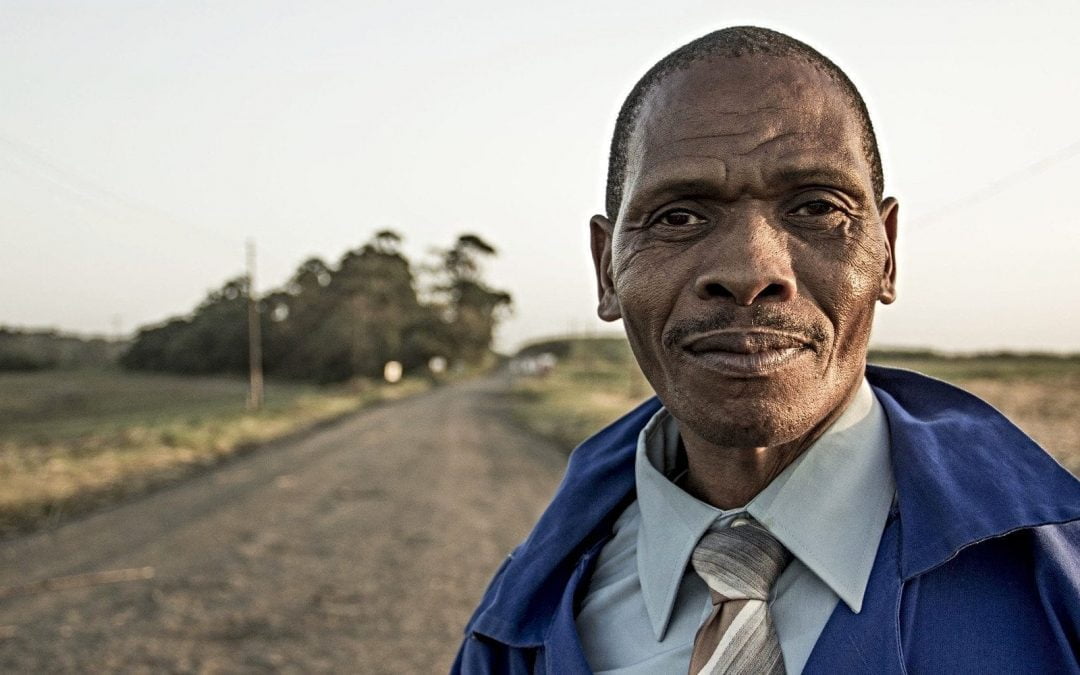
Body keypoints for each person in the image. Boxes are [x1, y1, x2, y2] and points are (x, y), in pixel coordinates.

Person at [453, 26, 1080, 674]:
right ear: (606, 269)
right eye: (679, 216)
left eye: (816, 206)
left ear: (886, 251)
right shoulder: (520, 630)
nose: (752, 269)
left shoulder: (1059, 582)